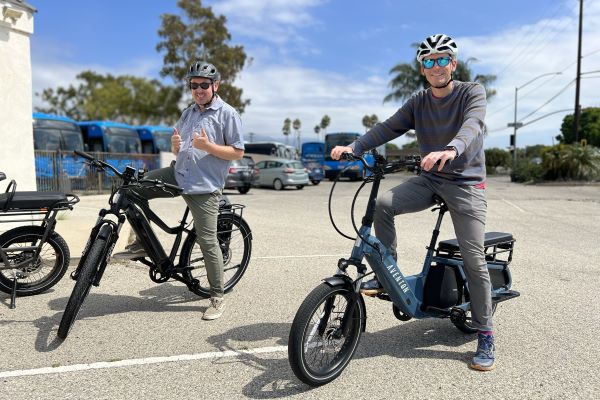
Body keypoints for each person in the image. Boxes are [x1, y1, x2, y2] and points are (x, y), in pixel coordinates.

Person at [330, 34, 495, 371]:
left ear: (453, 63)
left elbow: (472, 126)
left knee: (474, 258)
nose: (436, 65)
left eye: (442, 58)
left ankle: (486, 332)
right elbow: (388, 127)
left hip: (466, 184)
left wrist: (451, 149)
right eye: (429, 61)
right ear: (422, 68)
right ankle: (386, 269)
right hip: (431, 178)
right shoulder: (418, 101)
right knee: (382, 204)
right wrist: (356, 147)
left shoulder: (471, 92)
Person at [112, 61, 245, 321]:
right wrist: (175, 146)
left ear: (215, 86)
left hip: (204, 186)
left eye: (204, 85)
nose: (198, 90)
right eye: (194, 85)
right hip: (178, 174)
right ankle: (141, 242)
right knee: (133, 190)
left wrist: (209, 147)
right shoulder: (189, 113)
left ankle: (217, 296)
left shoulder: (228, 114)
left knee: (207, 241)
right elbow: (183, 149)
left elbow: (238, 151)